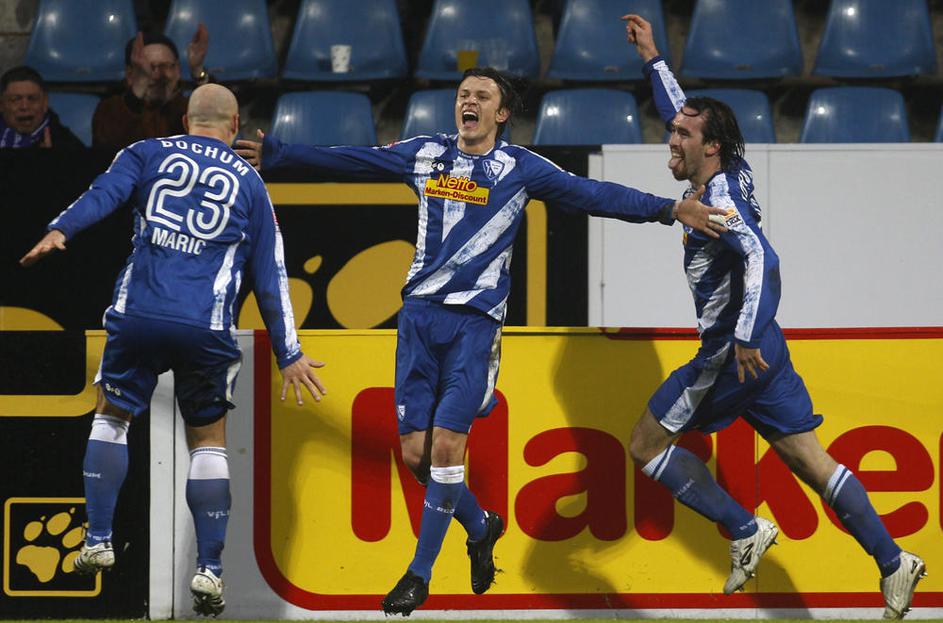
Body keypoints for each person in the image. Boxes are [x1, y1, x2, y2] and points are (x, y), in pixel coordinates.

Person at [236, 67, 729, 615]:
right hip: (418, 321)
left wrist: (667, 210)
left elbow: (592, 193)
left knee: (447, 449)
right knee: (418, 455)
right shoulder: (426, 154)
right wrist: (279, 155)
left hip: (474, 327)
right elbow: (353, 159)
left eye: (482, 96)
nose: (468, 102)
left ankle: (417, 576)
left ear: (500, 115)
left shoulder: (520, 168)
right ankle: (480, 524)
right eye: (463, 94)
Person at [622, 14, 925, 620]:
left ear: (708, 146)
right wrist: (655, 60)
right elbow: (684, 109)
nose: (670, 139)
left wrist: (739, 337)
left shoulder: (719, 200)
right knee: (810, 461)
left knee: (646, 446)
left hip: (730, 355)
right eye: (672, 131)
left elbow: (764, 257)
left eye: (681, 135)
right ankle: (894, 562)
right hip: (767, 351)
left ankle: (742, 529)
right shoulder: (728, 166)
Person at [20, 84, 326, 617]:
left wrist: (60, 228)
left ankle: (97, 537)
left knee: (112, 418)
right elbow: (270, 276)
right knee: (207, 442)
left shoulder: (146, 153)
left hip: (138, 316)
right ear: (234, 128)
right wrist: (289, 352)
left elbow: (104, 192)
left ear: (186, 119)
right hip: (204, 328)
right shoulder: (250, 183)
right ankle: (208, 570)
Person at [92, 26, 209, 151]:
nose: (157, 75)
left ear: (177, 71)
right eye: (148, 67)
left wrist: (198, 72)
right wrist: (141, 84)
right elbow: (106, 150)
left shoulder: (186, 109)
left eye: (165, 66)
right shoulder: (109, 110)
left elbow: (217, 127)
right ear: (129, 74)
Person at [0, 65, 84, 149]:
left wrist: (50, 159)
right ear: (1, 105)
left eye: (32, 99)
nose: (24, 106)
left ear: (45, 103)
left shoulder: (65, 143)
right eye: (15, 99)